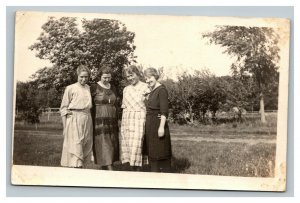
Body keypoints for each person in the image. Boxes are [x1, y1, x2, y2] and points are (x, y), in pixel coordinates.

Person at [60, 65, 93, 168]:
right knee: (76, 145)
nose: (84, 79)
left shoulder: (89, 88)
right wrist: (65, 127)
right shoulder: (70, 88)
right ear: (77, 76)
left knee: (86, 144)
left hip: (87, 118)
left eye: (86, 77)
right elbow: (63, 108)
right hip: (74, 118)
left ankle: (82, 169)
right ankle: (75, 168)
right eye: (81, 77)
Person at [120, 65, 150, 171]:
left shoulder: (146, 87)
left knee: (137, 144)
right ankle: (131, 169)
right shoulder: (126, 89)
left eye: (132, 75)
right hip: (127, 119)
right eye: (128, 76)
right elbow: (124, 106)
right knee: (128, 144)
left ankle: (137, 169)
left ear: (137, 74)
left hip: (139, 117)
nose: (130, 78)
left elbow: (150, 104)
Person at [143, 67, 172, 172]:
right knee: (153, 153)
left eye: (149, 78)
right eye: (145, 78)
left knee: (159, 152)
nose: (147, 80)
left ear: (155, 76)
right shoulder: (152, 91)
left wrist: (161, 128)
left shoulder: (162, 90)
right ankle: (154, 175)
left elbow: (164, 111)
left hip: (157, 124)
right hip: (150, 124)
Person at [91, 66, 119, 170]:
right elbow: (90, 104)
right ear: (100, 76)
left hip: (112, 118)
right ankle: (109, 167)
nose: (107, 80)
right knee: (103, 141)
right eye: (104, 77)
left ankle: (106, 166)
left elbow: (116, 103)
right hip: (100, 118)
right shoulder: (94, 87)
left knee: (112, 141)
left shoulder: (114, 87)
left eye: (109, 77)